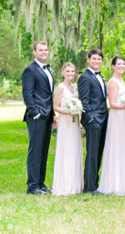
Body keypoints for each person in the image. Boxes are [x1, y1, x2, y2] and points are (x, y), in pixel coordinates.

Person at [97, 56, 125, 195]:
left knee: (124, 146)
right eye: (118, 64)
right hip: (117, 117)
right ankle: (115, 184)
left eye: (123, 64)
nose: (121, 66)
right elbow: (112, 103)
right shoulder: (113, 82)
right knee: (117, 146)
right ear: (113, 66)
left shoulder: (122, 81)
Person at [21, 41, 55, 194]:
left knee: (43, 150)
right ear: (34, 52)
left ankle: (41, 183)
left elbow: (49, 95)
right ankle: (32, 186)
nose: (44, 52)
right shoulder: (30, 70)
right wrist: (36, 113)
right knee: (35, 151)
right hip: (37, 117)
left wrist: (52, 115)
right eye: (40, 50)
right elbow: (27, 95)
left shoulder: (48, 70)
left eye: (45, 50)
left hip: (47, 116)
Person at [78, 48, 108, 194]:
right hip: (93, 120)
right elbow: (84, 100)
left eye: (99, 59)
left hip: (103, 119)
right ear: (88, 60)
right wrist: (91, 119)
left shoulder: (101, 77)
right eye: (94, 59)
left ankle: (95, 184)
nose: (97, 61)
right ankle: (89, 186)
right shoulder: (84, 78)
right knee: (92, 152)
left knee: (99, 152)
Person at [52, 62, 83, 196]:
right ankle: (64, 184)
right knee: (66, 149)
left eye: (72, 71)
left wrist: (77, 112)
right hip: (65, 121)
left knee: (75, 149)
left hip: (75, 121)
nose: (70, 74)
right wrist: (67, 111)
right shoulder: (60, 87)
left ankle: (75, 184)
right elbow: (55, 106)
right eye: (68, 71)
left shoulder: (74, 88)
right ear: (63, 73)